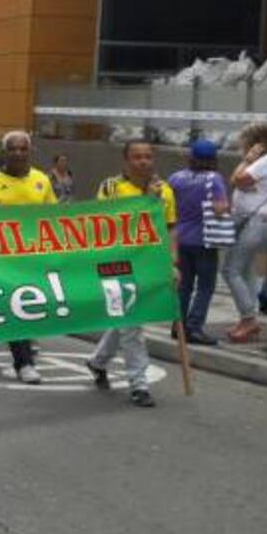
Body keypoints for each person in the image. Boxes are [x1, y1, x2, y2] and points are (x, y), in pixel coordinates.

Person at [86, 141, 177, 408]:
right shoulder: (110, 188)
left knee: (127, 319)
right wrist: (146, 200)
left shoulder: (165, 190)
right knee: (132, 322)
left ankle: (98, 361)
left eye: (148, 156)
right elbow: (106, 223)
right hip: (117, 262)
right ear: (126, 160)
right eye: (137, 157)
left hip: (148, 262)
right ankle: (139, 383)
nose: (143, 161)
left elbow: (170, 228)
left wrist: (172, 263)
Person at [0, 131, 57, 383]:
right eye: (12, 149)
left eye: (22, 149)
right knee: (15, 303)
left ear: (30, 151)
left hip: (32, 257)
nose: (18, 153)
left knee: (13, 304)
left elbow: (54, 217)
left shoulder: (42, 181)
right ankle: (24, 363)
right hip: (0, 259)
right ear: (4, 152)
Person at [221, 123, 267, 343]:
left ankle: (249, 319)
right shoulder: (260, 162)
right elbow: (235, 181)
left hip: (257, 221)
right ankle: (247, 317)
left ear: (257, 143)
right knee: (245, 270)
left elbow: (237, 180)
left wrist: (247, 160)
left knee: (230, 269)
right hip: (250, 220)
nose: (241, 144)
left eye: (244, 139)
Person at [168, 140, 229, 345]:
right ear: (213, 159)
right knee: (205, 286)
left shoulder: (175, 178)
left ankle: (178, 326)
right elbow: (219, 209)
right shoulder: (214, 179)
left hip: (179, 239)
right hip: (204, 240)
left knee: (183, 285)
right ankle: (194, 327)